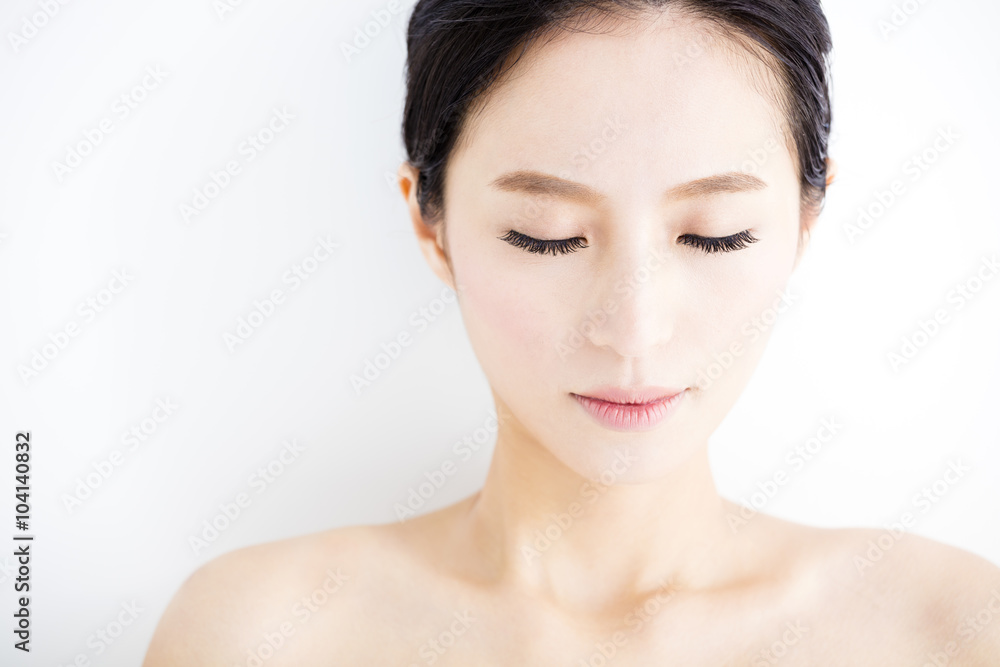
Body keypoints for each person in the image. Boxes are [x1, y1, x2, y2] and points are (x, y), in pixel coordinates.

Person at [144, 1, 1000, 664]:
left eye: (716, 235)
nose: (633, 330)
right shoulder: (255, 634)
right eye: (545, 236)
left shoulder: (954, 629)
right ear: (431, 226)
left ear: (805, 221)